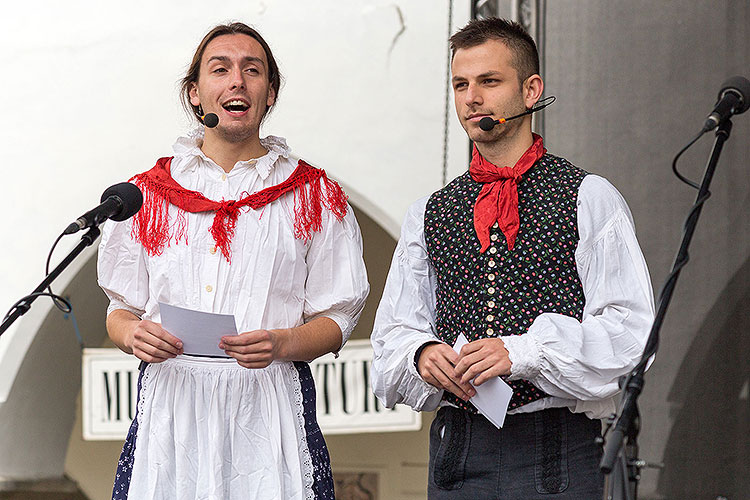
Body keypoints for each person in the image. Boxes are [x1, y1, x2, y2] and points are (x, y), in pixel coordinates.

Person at [371, 17, 654, 499]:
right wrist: (421, 355)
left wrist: (521, 352)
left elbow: (633, 333)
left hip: (555, 446)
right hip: (458, 445)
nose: (471, 98)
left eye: (489, 81)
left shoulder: (587, 196)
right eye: (461, 84)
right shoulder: (430, 212)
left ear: (531, 90)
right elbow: (392, 335)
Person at [98, 22, 369, 500]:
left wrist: (284, 342)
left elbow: (339, 316)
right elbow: (120, 311)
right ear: (195, 94)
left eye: (253, 70)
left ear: (270, 94)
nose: (236, 81)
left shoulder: (314, 195)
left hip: (267, 407)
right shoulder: (146, 194)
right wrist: (132, 334)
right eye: (219, 69)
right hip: (172, 409)